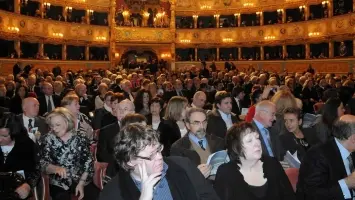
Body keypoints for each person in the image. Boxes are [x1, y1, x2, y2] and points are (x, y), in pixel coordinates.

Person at [98, 123, 220, 200]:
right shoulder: (113, 192)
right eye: (151, 155)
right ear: (130, 161)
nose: (160, 157)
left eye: (158, 149)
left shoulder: (183, 165)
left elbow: (209, 196)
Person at [214, 122, 296, 200]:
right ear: (236, 147)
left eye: (257, 138)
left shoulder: (272, 163)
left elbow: (289, 196)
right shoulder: (226, 173)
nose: (257, 142)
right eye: (250, 140)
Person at [40, 107, 98, 200]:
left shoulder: (80, 137)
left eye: (57, 125)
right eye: (51, 125)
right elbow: (42, 164)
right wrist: (55, 168)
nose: (54, 128)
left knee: (96, 196)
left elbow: (88, 161)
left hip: (81, 178)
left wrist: (81, 183)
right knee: (61, 197)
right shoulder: (48, 139)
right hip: (59, 182)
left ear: (67, 122)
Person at [297, 115, 355, 200]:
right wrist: (346, 183)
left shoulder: (351, 150)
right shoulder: (317, 155)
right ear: (353, 138)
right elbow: (312, 193)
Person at [171, 108, 224, 179]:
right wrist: (196, 175)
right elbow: (177, 178)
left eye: (204, 122)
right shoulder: (178, 147)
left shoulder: (218, 141)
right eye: (196, 123)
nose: (202, 127)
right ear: (188, 125)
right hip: (197, 188)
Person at [0, 113, 41, 200]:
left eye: (4, 136)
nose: (0, 139)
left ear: (15, 133)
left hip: (17, 190)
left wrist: (28, 185)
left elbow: (36, 169)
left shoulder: (27, 145)